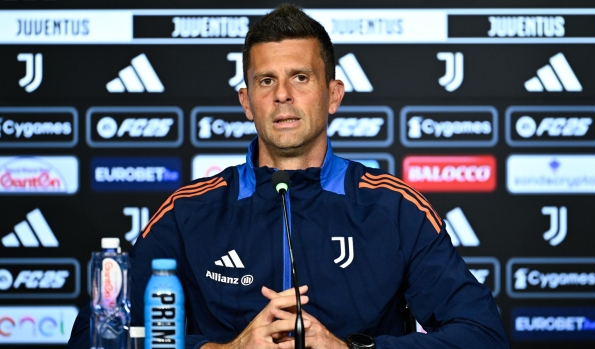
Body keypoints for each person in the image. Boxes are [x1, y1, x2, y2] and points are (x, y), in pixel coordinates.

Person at [69, 4, 509, 349]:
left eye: (300, 77)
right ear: (246, 102)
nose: (282, 95)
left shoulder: (394, 208)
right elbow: (96, 334)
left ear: (333, 95)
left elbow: (482, 335)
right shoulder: (188, 211)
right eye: (265, 81)